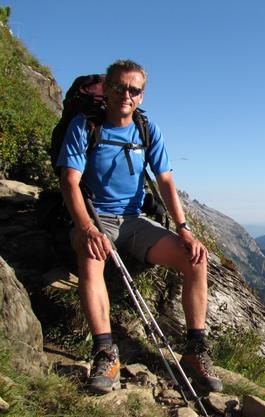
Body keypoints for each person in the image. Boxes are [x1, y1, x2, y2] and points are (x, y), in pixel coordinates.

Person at [57, 59, 222, 395]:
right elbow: (69, 182)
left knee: (195, 259)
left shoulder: (147, 130)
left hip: (134, 221)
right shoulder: (84, 126)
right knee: (91, 260)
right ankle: (105, 352)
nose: (126, 94)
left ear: (142, 95)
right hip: (95, 217)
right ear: (107, 89)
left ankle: (195, 350)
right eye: (119, 86)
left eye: (134, 89)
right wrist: (87, 228)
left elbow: (166, 182)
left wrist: (184, 228)